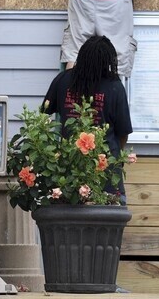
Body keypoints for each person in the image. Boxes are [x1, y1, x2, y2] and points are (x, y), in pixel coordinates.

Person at [44, 35, 133, 198]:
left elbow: (44, 116)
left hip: (69, 170)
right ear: (108, 60)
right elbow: (123, 133)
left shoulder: (63, 80)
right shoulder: (114, 86)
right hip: (106, 172)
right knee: (110, 219)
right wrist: (114, 156)